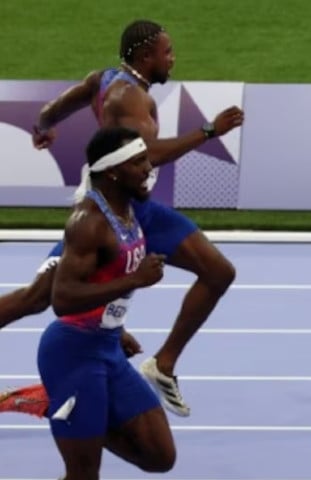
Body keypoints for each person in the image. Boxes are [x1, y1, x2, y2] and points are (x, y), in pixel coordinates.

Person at [0, 19, 244, 417]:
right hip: (104, 210)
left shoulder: (103, 80)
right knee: (39, 297)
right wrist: (208, 130)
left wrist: (43, 127)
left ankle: (163, 365)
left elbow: (56, 107)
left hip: (139, 206)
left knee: (218, 271)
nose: (173, 58)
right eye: (167, 52)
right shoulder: (131, 98)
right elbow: (148, 155)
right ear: (146, 56)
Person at [40, 126, 176, 480]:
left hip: (107, 346)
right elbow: (63, 297)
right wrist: (135, 279)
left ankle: (58, 409)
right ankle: (68, 411)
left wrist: (116, 327)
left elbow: (100, 278)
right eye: (139, 162)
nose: (149, 168)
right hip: (73, 353)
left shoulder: (129, 211)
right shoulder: (89, 223)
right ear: (114, 171)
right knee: (83, 474)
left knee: (159, 456)